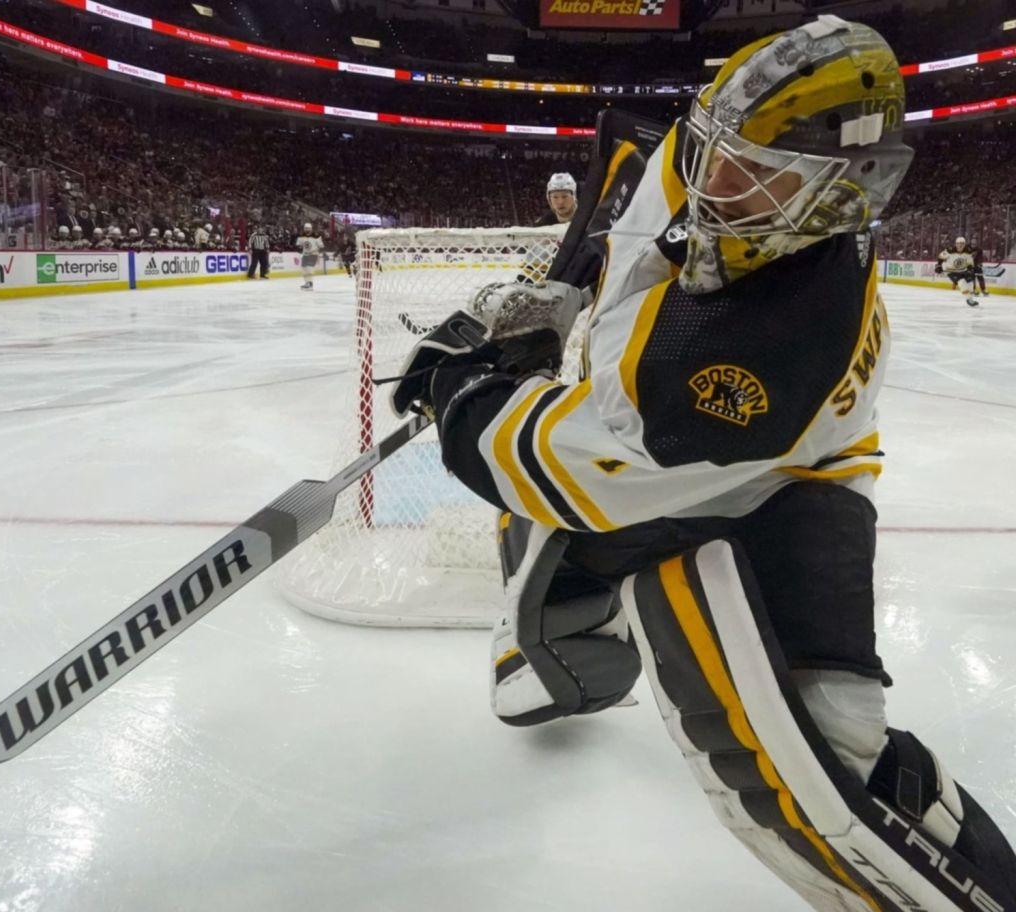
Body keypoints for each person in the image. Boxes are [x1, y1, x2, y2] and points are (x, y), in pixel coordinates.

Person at [390, 16, 1016, 910]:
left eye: (751, 177)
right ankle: (559, 638)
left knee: (812, 758)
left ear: (835, 198)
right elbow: (643, 163)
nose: (709, 181)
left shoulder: (763, 349)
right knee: (559, 597)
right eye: (713, 148)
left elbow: (575, 473)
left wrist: (457, 395)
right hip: (700, 442)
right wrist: (564, 287)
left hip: (781, 474)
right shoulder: (718, 144)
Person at [296, 221, 324, 290]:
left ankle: (310, 283)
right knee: (304, 269)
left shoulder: (316, 236)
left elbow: (321, 246)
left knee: (309, 268)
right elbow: (298, 245)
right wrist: (298, 248)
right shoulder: (301, 236)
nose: (307, 230)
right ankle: (307, 283)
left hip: (313, 254)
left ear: (311, 229)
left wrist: (318, 251)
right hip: (305, 255)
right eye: (305, 228)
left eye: (308, 228)